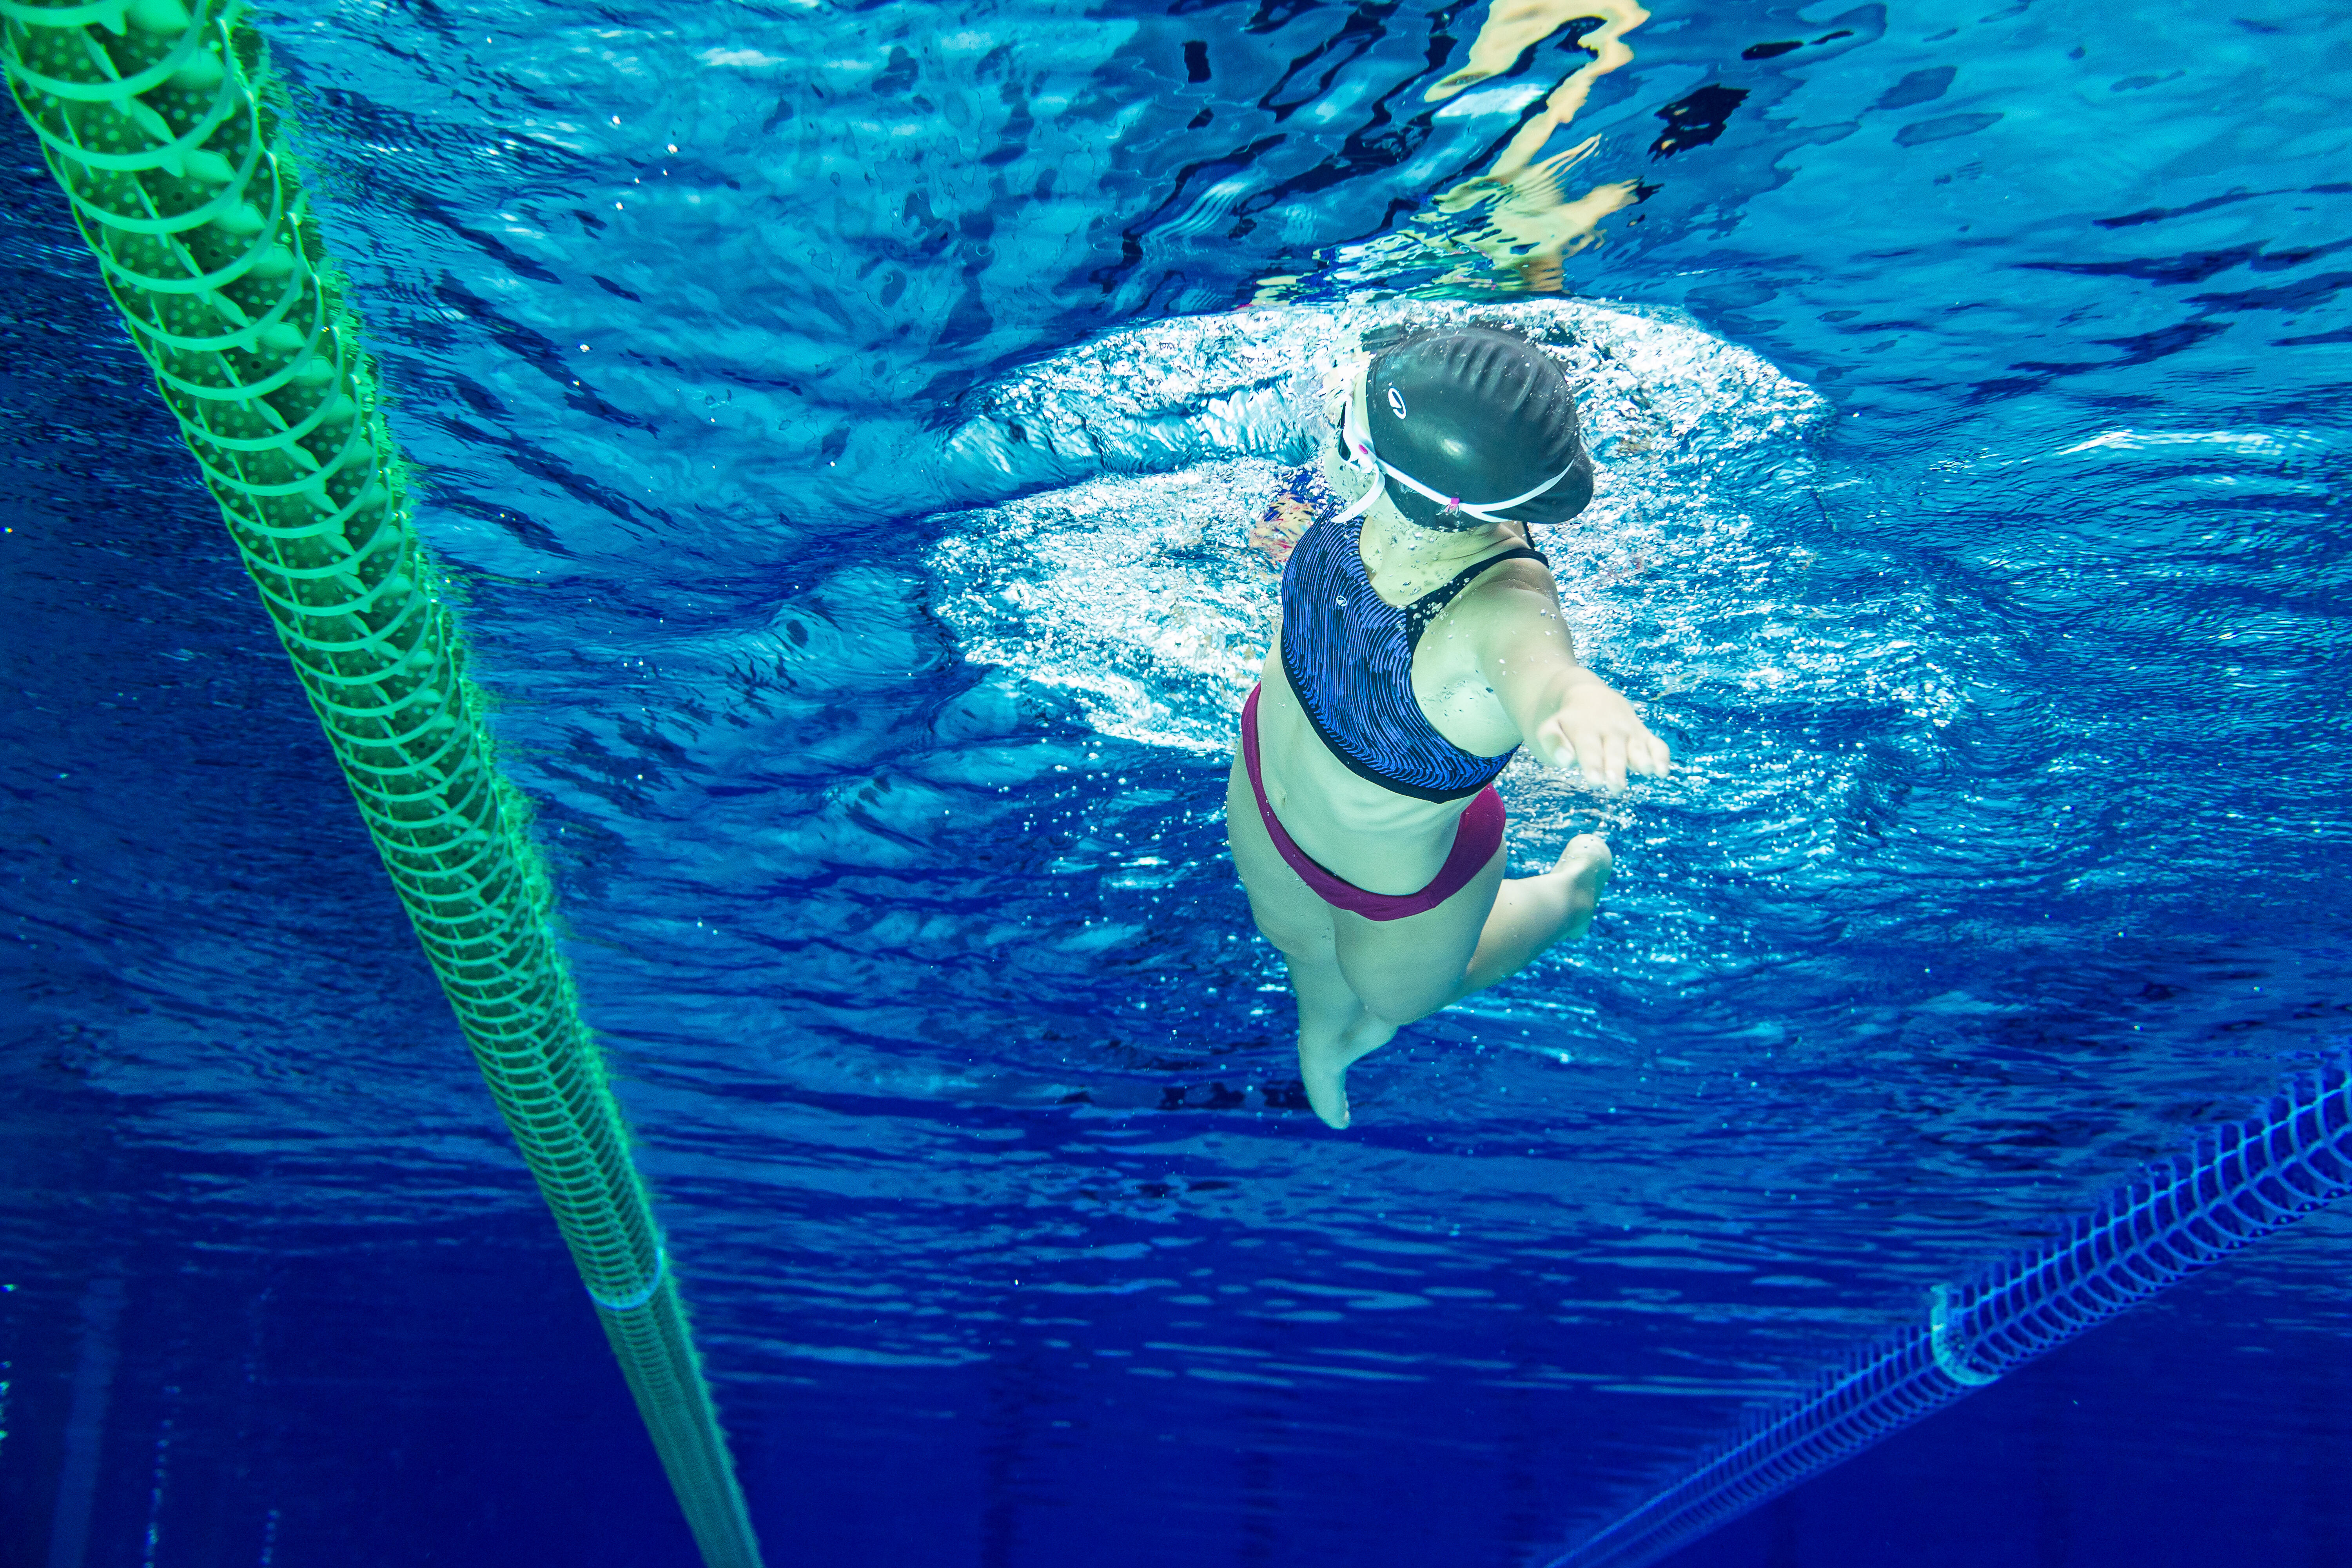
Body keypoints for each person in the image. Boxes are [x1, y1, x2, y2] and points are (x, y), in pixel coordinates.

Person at [1227, 326, 1670, 1129]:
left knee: (1396, 994)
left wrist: (1575, 701)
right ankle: (1323, 1036)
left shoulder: (1496, 605)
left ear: (1404, 477)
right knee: (1296, 943)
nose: (1339, 420)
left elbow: (1541, 670)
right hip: (1264, 791)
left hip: (1403, 886)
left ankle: (1569, 894)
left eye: (1353, 422)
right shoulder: (1363, 474)